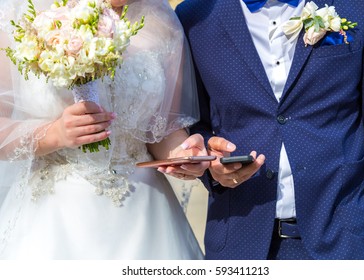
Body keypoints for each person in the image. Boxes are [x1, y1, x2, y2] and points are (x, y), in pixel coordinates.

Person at [176, 0, 364, 259]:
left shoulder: (360, 5)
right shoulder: (194, 16)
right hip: (241, 246)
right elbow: (194, 121)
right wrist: (212, 167)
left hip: (348, 243)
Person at [0, 0, 209, 259]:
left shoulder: (162, 20)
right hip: (54, 216)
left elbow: (162, 130)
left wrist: (183, 154)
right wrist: (55, 134)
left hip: (142, 213)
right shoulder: (21, 13)